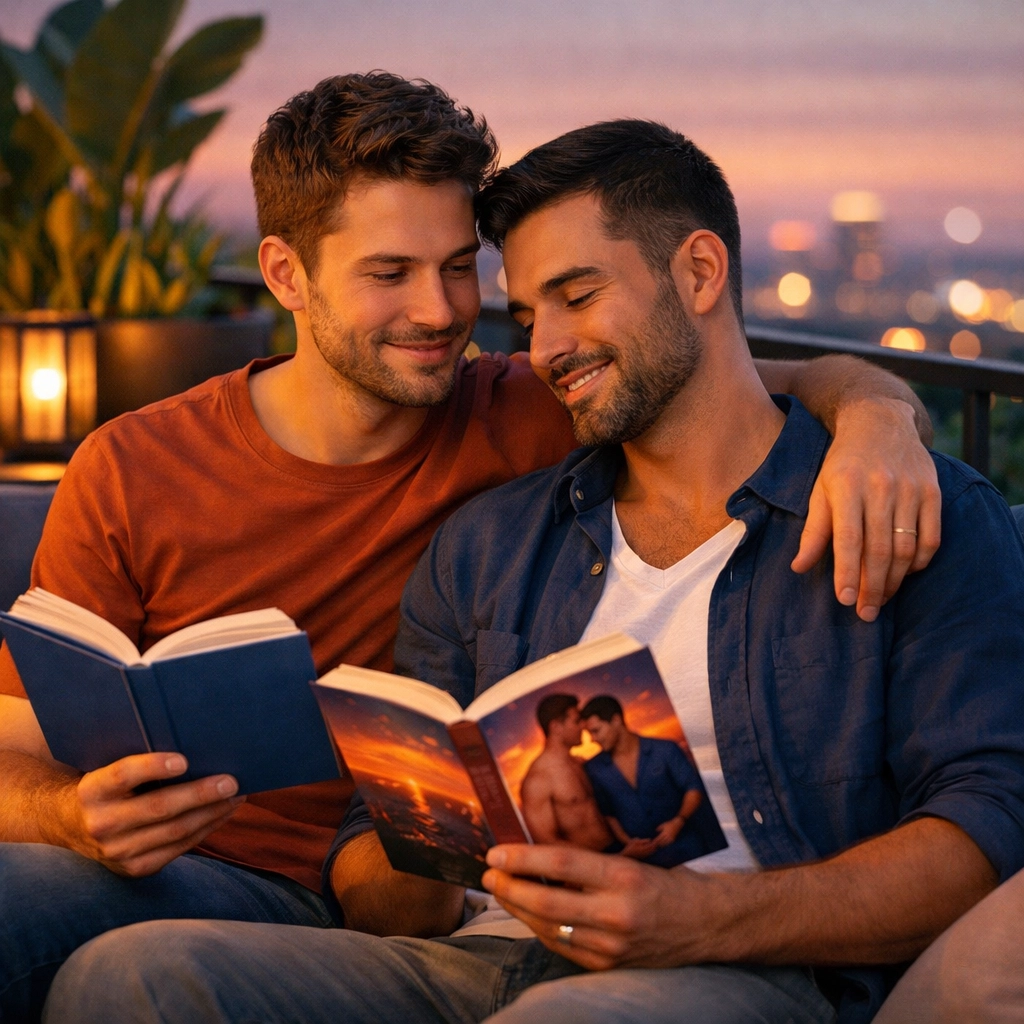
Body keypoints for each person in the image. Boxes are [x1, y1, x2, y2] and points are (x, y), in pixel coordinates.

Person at [44, 116, 1024, 1024]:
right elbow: (376, 866)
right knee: (128, 977)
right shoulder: (491, 540)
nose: (544, 347)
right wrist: (421, 855)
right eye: (524, 312)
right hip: (475, 955)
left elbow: (987, 819)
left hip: (738, 967)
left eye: (577, 295)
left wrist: (698, 918)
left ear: (698, 271)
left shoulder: (902, 511)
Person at [580, 695, 711, 867]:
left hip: (686, 845)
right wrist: (628, 844)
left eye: (596, 730)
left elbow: (693, 787)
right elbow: (608, 814)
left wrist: (678, 822)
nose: (592, 739)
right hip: (642, 862)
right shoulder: (594, 768)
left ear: (616, 720)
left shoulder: (665, 749)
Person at [519, 695, 613, 852]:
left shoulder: (578, 762)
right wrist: (609, 862)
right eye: (577, 721)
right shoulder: (538, 779)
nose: (584, 726)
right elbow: (547, 842)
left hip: (618, 851)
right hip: (593, 868)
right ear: (556, 727)